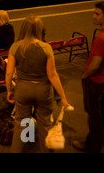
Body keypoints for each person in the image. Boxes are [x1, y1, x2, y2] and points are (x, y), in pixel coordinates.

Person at [5, 16, 69, 153]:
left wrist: (9, 90)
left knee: (22, 122)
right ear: (40, 29)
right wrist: (63, 97)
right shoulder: (46, 48)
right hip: (43, 90)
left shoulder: (15, 47)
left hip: (23, 89)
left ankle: (21, 147)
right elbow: (52, 74)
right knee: (45, 123)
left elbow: (9, 73)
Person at [73, 1, 104, 153]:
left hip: (95, 82)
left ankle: (93, 145)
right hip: (102, 83)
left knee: (94, 115)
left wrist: (84, 75)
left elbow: (95, 64)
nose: (93, 16)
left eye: (97, 14)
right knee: (100, 113)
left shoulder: (101, 39)